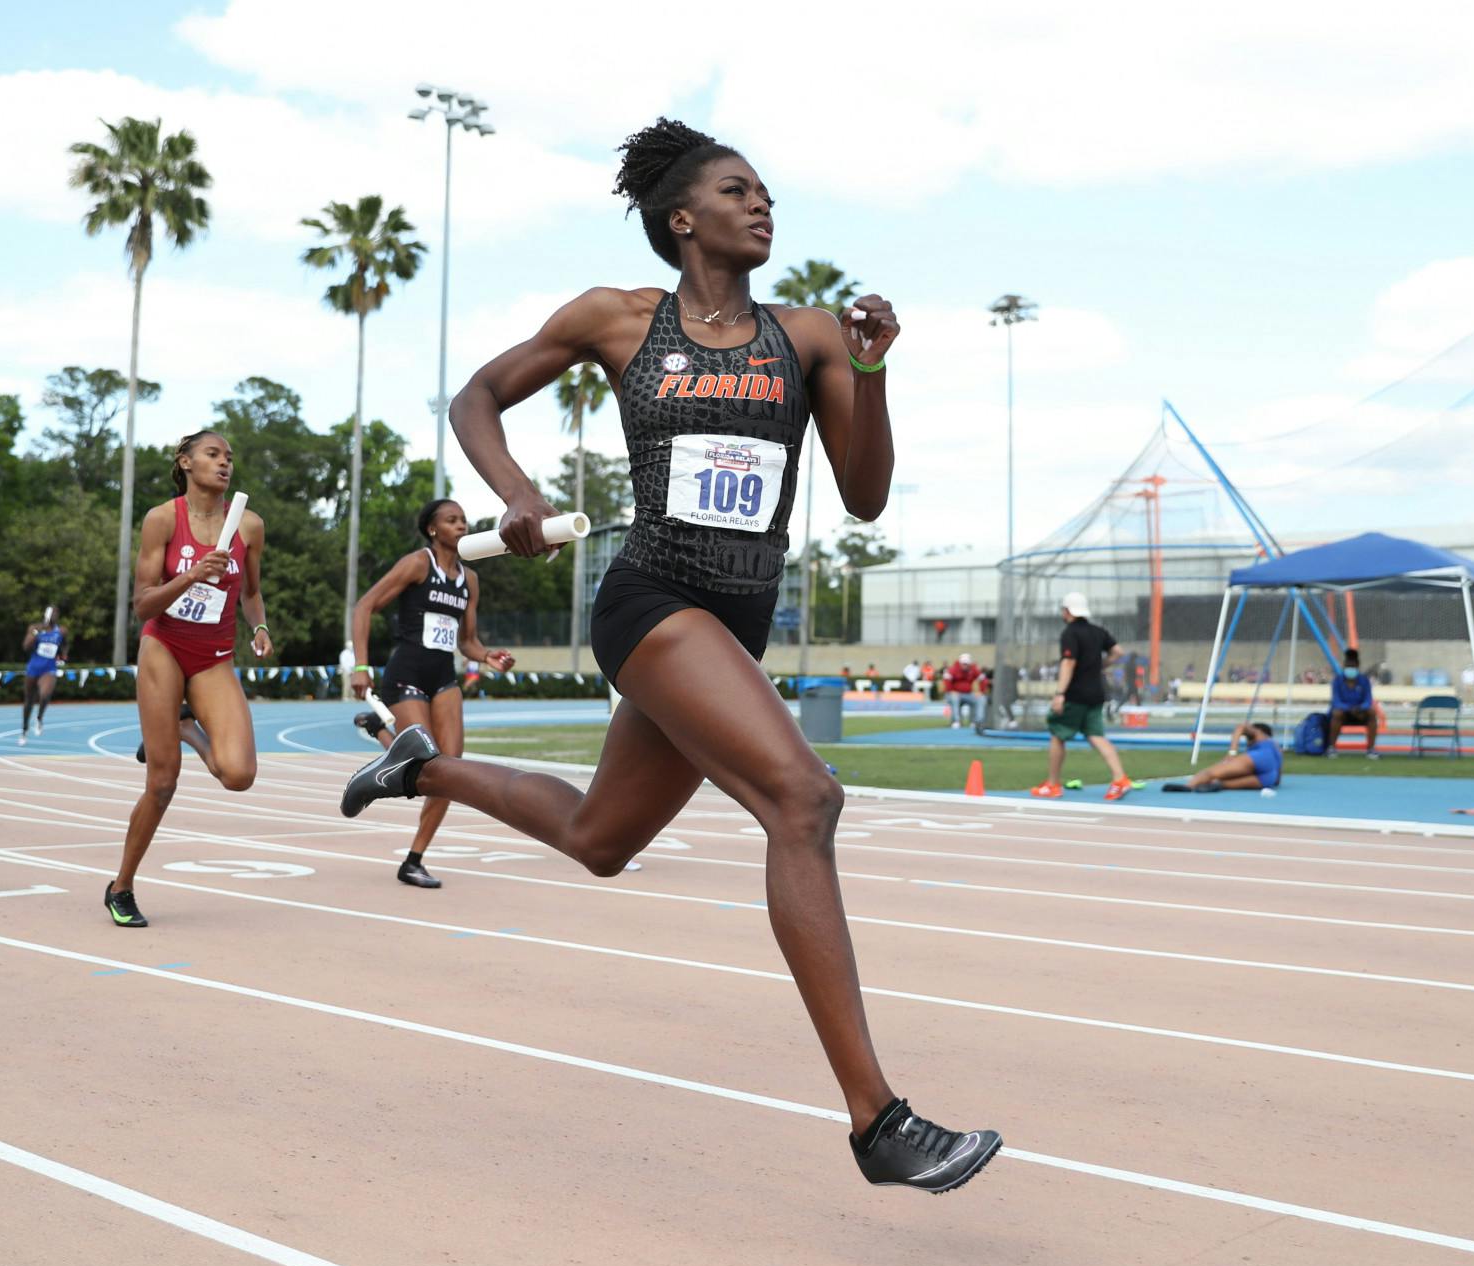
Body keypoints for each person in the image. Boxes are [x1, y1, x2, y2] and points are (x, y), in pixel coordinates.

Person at [337, 116, 999, 1192]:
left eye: (767, 194)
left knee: (601, 839)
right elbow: (476, 397)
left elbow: (866, 495)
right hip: (649, 599)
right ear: (682, 217)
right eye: (738, 192)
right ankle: (877, 1120)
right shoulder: (618, 318)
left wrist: (872, 374)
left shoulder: (812, 336)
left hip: (734, 622)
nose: (761, 206)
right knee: (802, 800)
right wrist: (514, 494)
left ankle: (423, 766)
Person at [105, 430, 272, 927]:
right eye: (213, 454)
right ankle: (122, 886)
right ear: (186, 462)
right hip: (164, 648)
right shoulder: (162, 519)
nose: (225, 464)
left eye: (230, 456)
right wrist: (192, 575)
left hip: (214, 655)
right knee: (162, 782)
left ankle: (185, 727)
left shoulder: (249, 527)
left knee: (238, 774)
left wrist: (260, 627)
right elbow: (142, 605)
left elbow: (251, 594)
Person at [348, 498, 516, 889]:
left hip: (442, 675)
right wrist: (360, 665)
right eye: (451, 520)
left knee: (451, 769)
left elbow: (468, 642)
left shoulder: (469, 580)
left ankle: (414, 860)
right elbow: (364, 606)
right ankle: (384, 732)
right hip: (406, 672)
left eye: (464, 520)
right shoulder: (417, 564)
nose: (461, 526)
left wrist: (489, 656)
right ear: (433, 529)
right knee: (427, 764)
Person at [1032, 592, 1133, 801]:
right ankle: (1120, 778)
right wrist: (1101, 664)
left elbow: (1068, 663)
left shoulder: (1070, 633)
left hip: (1075, 694)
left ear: (1068, 611)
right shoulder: (1098, 631)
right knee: (1096, 735)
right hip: (1096, 692)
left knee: (1058, 735)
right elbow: (1118, 652)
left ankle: (1053, 784)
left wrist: (1060, 694)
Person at [1163, 721, 1282, 792]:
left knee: (1211, 772)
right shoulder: (1276, 746)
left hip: (1259, 757)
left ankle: (1189, 786)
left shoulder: (1258, 733)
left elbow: (1240, 727)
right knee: (1224, 783)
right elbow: (1277, 779)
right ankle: (1217, 785)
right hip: (1269, 778)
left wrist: (1232, 753)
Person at [19, 610, 68, 744]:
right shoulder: (35, 628)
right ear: (45, 615)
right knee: (29, 701)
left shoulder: (61, 631)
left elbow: (64, 645)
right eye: (50, 614)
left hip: (49, 669)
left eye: (55, 615)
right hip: (33, 668)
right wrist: (36, 634)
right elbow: (25, 646)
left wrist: (63, 656)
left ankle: (39, 718)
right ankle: (24, 730)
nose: (52, 617)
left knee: (45, 694)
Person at [1327, 647, 1379, 758]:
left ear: (1357, 666)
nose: (1350, 668)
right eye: (1348, 666)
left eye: (1352, 666)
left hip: (1360, 714)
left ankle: (1371, 749)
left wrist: (1360, 708)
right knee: (1336, 713)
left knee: (1372, 712)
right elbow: (1336, 701)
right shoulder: (1337, 681)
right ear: (1344, 665)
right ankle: (1332, 748)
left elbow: (1368, 700)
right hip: (1344, 714)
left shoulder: (1364, 681)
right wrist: (1349, 709)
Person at [941, 651, 980, 728]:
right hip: (954, 694)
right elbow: (946, 681)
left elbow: (982, 678)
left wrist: (980, 691)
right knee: (955, 698)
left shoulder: (973, 669)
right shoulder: (953, 669)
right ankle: (956, 721)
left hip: (968, 694)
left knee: (979, 699)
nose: (965, 665)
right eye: (963, 663)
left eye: (966, 664)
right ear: (960, 663)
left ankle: (975, 722)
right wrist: (951, 690)